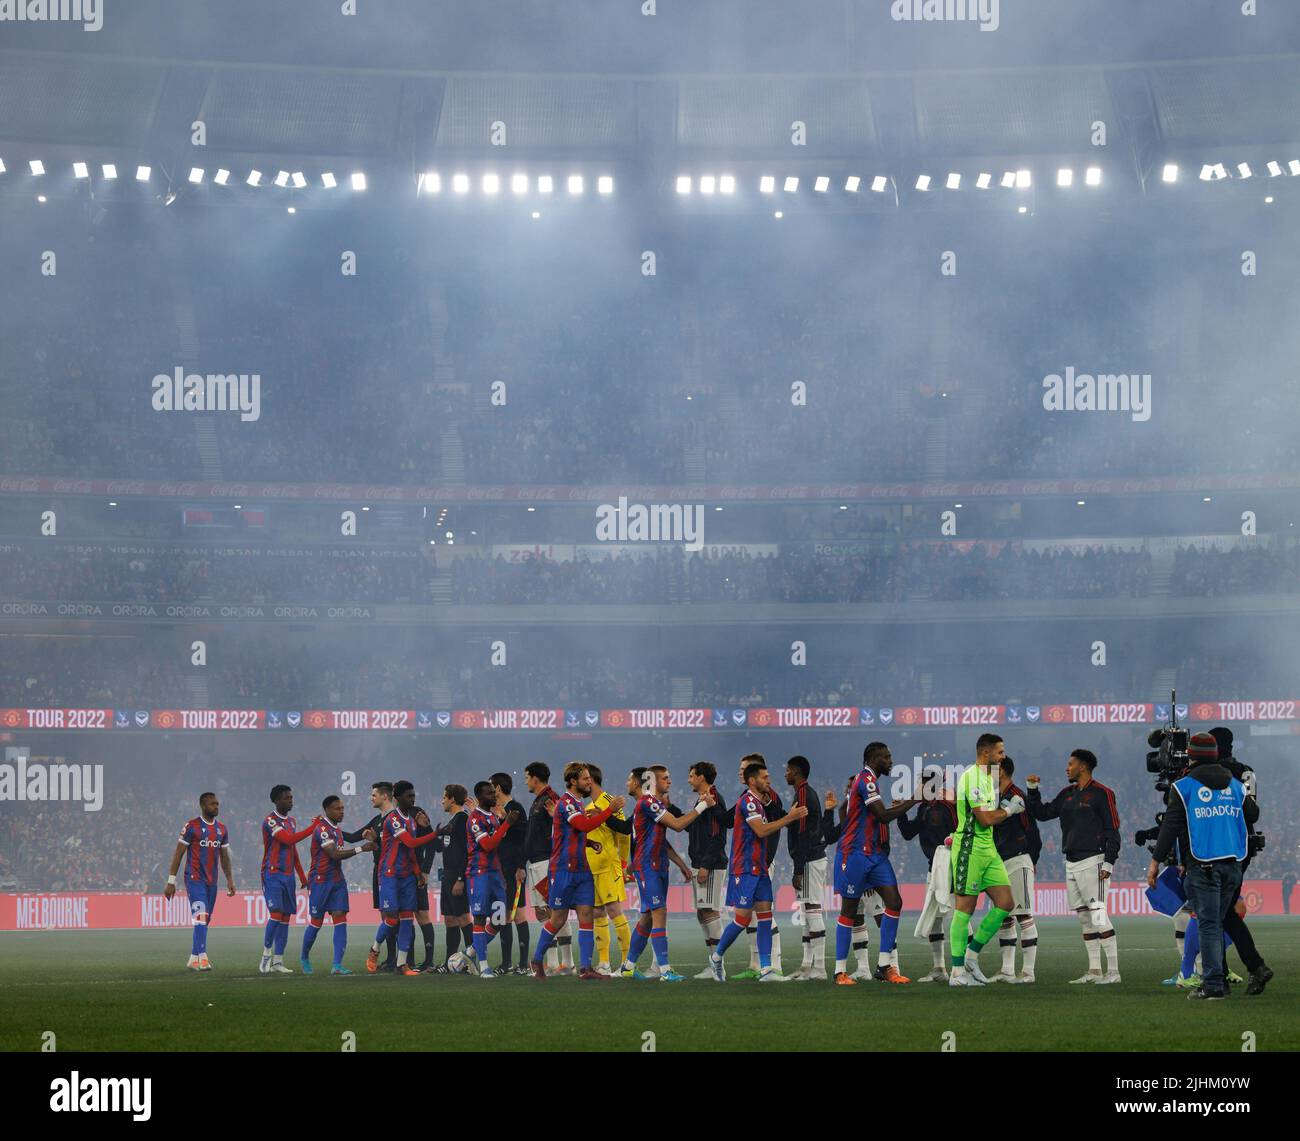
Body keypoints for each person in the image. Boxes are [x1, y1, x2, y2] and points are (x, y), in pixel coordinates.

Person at [1148, 732, 1269, 999]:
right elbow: (1253, 814)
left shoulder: (1183, 786)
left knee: (1209, 924)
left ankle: (1214, 985)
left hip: (1202, 864)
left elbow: (1170, 827)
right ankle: (1238, 973)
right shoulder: (1236, 785)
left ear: (1191, 756)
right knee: (1220, 920)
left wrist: (1155, 861)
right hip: (1233, 864)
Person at [707, 757, 807, 983]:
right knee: (742, 920)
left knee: (764, 917)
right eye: (764, 777)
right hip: (744, 868)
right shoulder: (748, 802)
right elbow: (761, 831)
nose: (768, 780)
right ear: (752, 781)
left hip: (759, 867)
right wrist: (789, 818)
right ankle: (716, 957)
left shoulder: (760, 803)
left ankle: (766, 969)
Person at [1027, 748, 1121, 984]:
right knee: (1084, 918)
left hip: (1095, 861)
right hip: (1071, 862)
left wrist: (1109, 861)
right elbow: (1044, 813)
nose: (1067, 768)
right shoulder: (1067, 793)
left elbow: (1113, 830)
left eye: (1071, 764)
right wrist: (1032, 791)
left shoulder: (1103, 794)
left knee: (1098, 915)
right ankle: (1094, 970)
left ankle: (1114, 972)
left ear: (1083, 766)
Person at [831, 742, 916, 986]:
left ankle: (883, 966)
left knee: (895, 902)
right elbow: (882, 815)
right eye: (887, 757)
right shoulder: (865, 780)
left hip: (875, 855)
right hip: (854, 853)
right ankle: (839, 972)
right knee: (849, 911)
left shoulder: (871, 782)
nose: (890, 761)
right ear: (873, 758)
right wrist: (914, 799)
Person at [530, 763, 624, 979]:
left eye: (589, 778)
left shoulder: (578, 804)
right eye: (585, 779)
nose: (589, 782)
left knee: (586, 916)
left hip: (582, 870)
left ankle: (585, 968)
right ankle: (536, 960)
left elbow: (573, 833)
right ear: (573, 781)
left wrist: (589, 844)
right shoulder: (566, 803)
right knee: (558, 919)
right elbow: (581, 826)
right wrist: (610, 810)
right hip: (563, 870)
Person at [618, 765, 712, 981]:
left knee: (647, 918)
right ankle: (665, 969)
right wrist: (703, 806)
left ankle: (628, 966)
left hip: (657, 865)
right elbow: (678, 825)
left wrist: (681, 864)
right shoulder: (648, 802)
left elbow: (661, 840)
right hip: (648, 867)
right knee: (659, 913)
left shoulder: (654, 804)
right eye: (665, 779)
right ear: (651, 781)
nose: (669, 782)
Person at [948, 735, 1020, 987]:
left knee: (1005, 902)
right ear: (986, 752)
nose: (1003, 756)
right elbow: (985, 819)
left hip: (988, 849)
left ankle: (971, 956)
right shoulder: (972, 777)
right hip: (969, 849)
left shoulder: (989, 778)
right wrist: (1010, 810)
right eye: (1000, 752)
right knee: (964, 908)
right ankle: (957, 972)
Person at [366, 780, 440, 976]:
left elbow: (409, 852)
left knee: (407, 919)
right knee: (391, 919)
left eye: (413, 795)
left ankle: (402, 964)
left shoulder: (410, 822)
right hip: (390, 875)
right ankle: (374, 949)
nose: (413, 798)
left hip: (407, 876)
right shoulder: (394, 820)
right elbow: (411, 842)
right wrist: (436, 833)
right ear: (397, 798)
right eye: (409, 796)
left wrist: (417, 873)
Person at [301, 795, 373, 975]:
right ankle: (304, 957)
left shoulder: (338, 831)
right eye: (337, 808)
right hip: (319, 881)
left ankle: (337, 965)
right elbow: (333, 854)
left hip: (337, 881)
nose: (341, 811)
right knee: (316, 922)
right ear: (327, 810)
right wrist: (361, 849)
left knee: (340, 919)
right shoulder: (322, 830)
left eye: (342, 808)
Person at [897, 770, 957, 982]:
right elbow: (907, 832)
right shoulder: (924, 808)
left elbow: (962, 831)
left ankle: (965, 966)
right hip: (934, 869)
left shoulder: (950, 805)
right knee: (935, 919)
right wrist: (900, 812)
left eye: (919, 782)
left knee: (959, 916)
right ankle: (939, 968)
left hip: (952, 867)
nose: (917, 786)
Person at [164, 791, 234, 971]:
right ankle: (203, 959)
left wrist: (230, 880)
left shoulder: (222, 829)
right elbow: (178, 853)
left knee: (204, 920)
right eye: (212, 804)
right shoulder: (192, 826)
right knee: (200, 917)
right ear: (203, 806)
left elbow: (224, 857)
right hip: (194, 879)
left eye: (217, 804)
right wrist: (171, 881)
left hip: (212, 881)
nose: (216, 807)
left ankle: (193, 957)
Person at [464, 781, 522, 980]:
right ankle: (483, 966)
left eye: (493, 792)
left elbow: (497, 840)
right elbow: (488, 845)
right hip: (478, 873)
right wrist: (507, 823)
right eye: (489, 793)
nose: (494, 795)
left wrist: (504, 823)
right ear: (480, 797)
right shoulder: (474, 819)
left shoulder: (494, 817)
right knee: (480, 918)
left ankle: (469, 953)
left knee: (498, 921)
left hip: (495, 874)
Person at [258, 785, 317, 975]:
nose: (290, 800)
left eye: (291, 797)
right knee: (276, 914)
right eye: (286, 798)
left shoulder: (291, 821)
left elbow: (292, 849)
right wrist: (314, 827)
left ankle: (278, 961)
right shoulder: (271, 821)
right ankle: (266, 954)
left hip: (288, 876)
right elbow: (288, 840)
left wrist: (301, 874)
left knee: (285, 918)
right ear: (276, 800)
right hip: (272, 873)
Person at [991, 758, 1041, 984]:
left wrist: (1032, 858)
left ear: (1001, 771)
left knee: (1023, 915)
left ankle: (1028, 972)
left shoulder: (1017, 796)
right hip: (999, 861)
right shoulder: (995, 796)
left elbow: (1032, 830)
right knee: (1004, 917)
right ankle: (1007, 970)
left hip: (1018, 859)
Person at [582, 764, 632, 976]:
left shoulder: (610, 802)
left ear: (590, 780)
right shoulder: (586, 807)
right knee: (597, 913)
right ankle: (604, 962)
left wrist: (622, 863)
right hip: (592, 868)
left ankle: (626, 962)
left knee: (614, 911)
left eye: (584, 778)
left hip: (609, 866)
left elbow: (624, 834)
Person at [342, 781, 395, 971]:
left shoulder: (396, 819)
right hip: (379, 871)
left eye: (374, 795)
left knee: (399, 916)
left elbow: (397, 845)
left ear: (384, 796)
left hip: (396, 872)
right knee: (386, 916)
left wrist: (376, 839)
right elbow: (354, 837)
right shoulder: (376, 820)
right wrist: (331, 828)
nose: (371, 798)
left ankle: (400, 959)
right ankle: (391, 959)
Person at [784, 756, 827, 981]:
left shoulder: (803, 794)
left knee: (812, 908)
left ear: (796, 772)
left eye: (788, 770)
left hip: (810, 858)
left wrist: (798, 868)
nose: (785, 774)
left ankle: (819, 968)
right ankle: (806, 966)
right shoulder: (804, 793)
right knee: (807, 910)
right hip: (811, 857)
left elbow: (802, 832)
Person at [684, 761, 729, 978]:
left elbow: (717, 836)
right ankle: (712, 962)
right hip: (700, 862)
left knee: (710, 910)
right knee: (702, 913)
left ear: (702, 777)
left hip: (709, 864)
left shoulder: (713, 799)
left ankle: (719, 964)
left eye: (692, 776)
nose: (689, 779)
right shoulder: (702, 799)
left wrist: (706, 865)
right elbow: (693, 829)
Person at [491, 772, 532, 975]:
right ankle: (506, 963)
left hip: (513, 869)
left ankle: (523, 964)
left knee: (517, 914)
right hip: (499, 870)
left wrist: (520, 866)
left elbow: (522, 839)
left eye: (491, 786)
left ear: (498, 788)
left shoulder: (516, 809)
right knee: (503, 916)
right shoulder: (495, 810)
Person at [523, 762, 562, 973]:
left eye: (527, 777)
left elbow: (561, 824)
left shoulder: (550, 798)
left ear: (536, 778)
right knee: (550, 912)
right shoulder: (540, 800)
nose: (526, 781)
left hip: (546, 861)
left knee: (551, 911)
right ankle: (561, 963)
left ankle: (557, 963)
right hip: (538, 862)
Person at [429, 784, 471, 972]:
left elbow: (465, 852)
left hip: (457, 876)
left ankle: (472, 960)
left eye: (444, 797)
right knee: (450, 919)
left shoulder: (462, 821)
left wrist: (461, 878)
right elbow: (441, 847)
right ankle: (450, 962)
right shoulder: (452, 822)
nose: (442, 800)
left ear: (453, 799)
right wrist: (428, 828)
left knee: (463, 917)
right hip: (447, 875)